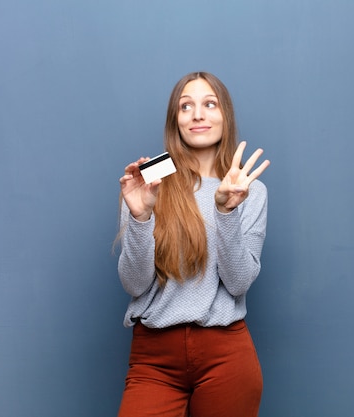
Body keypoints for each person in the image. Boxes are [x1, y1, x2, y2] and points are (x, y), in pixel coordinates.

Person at [116, 71, 270, 417]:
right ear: (176, 120)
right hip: (154, 357)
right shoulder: (151, 177)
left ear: (224, 115)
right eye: (186, 106)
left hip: (226, 354)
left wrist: (226, 212)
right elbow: (134, 284)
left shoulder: (248, 189)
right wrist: (140, 218)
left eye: (209, 104)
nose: (198, 114)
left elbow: (239, 282)